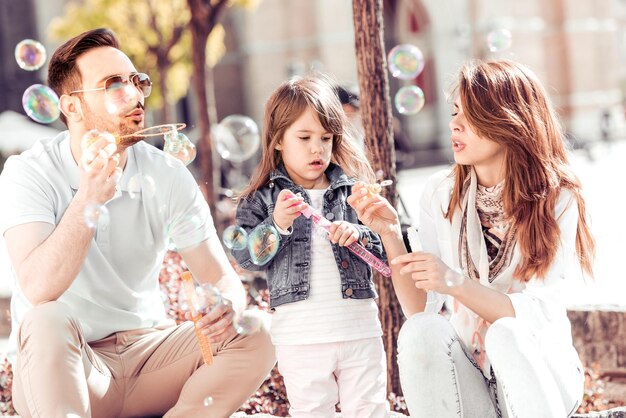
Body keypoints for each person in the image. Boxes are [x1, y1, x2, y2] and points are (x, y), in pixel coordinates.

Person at [0, 28, 275, 418]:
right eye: (113, 84)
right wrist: (88, 198)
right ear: (72, 107)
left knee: (255, 331)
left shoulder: (165, 173)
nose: (135, 93)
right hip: (70, 367)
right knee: (46, 317)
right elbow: (38, 287)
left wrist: (228, 305)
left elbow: (220, 278)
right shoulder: (29, 173)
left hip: (150, 358)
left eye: (136, 81)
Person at [347, 59, 595, 418]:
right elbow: (421, 307)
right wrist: (389, 233)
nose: (454, 124)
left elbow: (533, 315)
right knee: (419, 331)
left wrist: (455, 282)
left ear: (509, 119)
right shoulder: (441, 193)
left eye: (471, 115)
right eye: (454, 112)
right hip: (475, 373)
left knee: (506, 333)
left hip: (543, 375)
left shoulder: (557, 196)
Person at [232, 74, 389, 418]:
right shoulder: (262, 198)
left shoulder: (355, 194)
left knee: (369, 409)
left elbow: (386, 252)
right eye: (303, 137)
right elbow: (246, 257)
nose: (317, 148)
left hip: (358, 328)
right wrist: (276, 224)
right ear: (277, 141)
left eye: (326, 138)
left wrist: (359, 234)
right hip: (300, 336)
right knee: (312, 411)